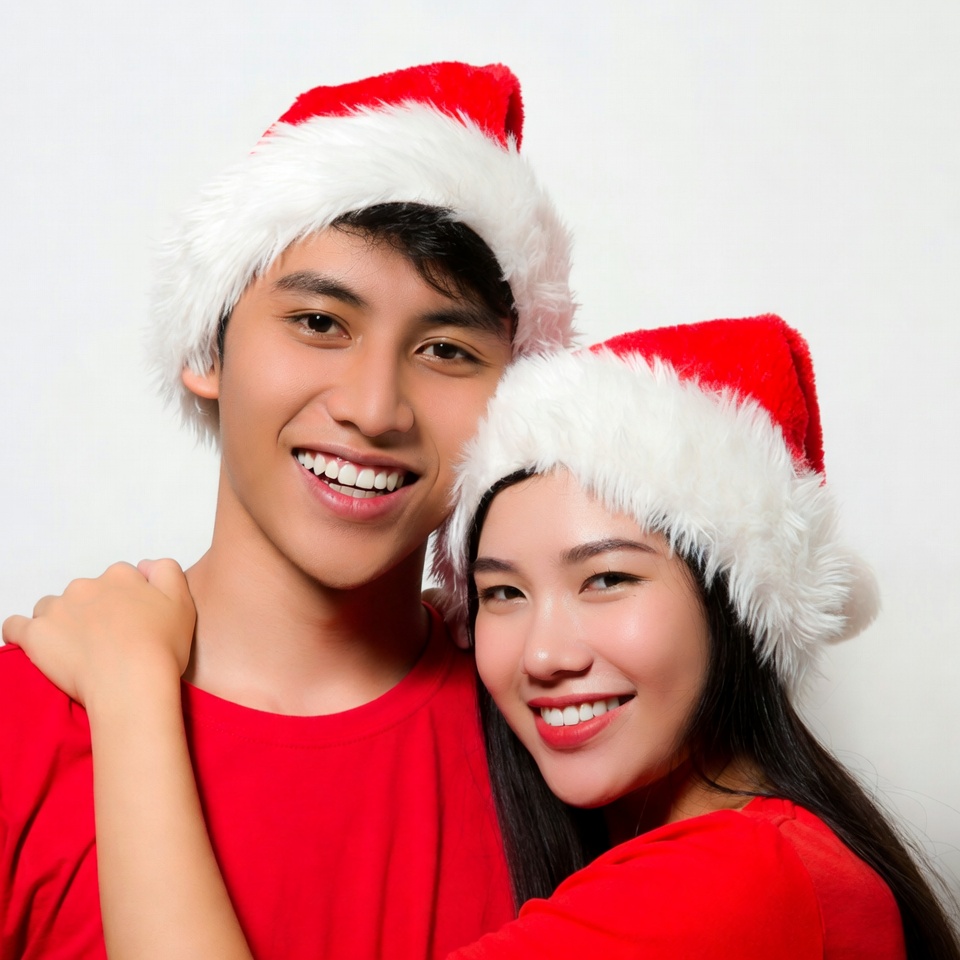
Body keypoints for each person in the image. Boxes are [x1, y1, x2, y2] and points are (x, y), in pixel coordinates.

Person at [11, 315, 958, 957]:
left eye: (608, 578)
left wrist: (133, 683)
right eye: (502, 593)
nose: (544, 652)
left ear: (737, 599)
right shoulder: (644, 846)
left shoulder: (745, 883)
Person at [0, 61, 576, 959]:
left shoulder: (572, 739)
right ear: (208, 349)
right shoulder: (20, 731)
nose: (374, 407)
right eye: (319, 323)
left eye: (447, 349)